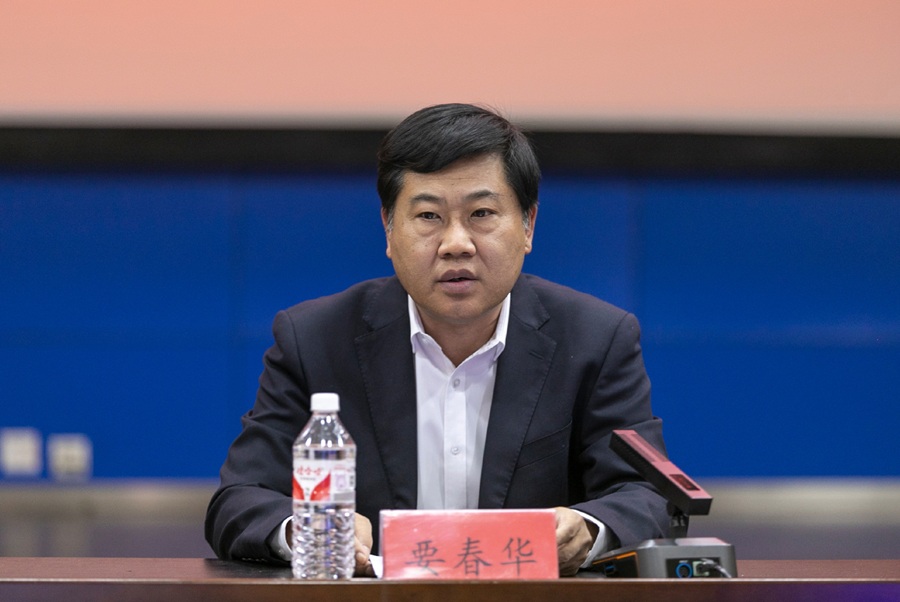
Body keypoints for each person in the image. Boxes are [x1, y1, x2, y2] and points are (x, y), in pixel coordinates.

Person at [205, 103, 672, 576]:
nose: (456, 244)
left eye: (482, 213)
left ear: (528, 225)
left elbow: (648, 495)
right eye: (429, 216)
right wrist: (310, 530)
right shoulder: (315, 340)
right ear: (389, 230)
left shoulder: (595, 339)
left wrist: (589, 529)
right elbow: (240, 499)